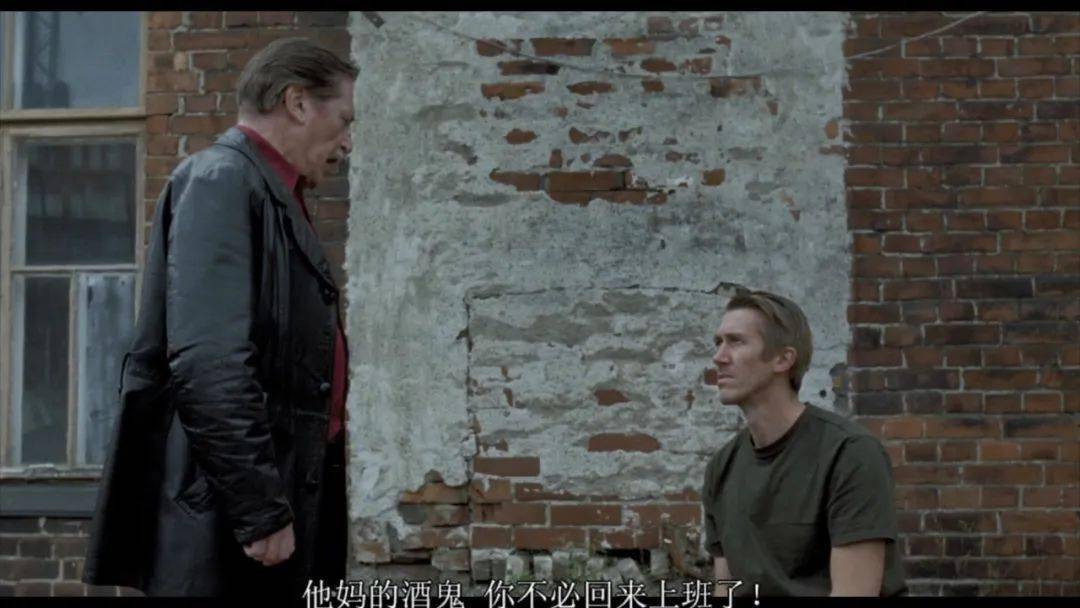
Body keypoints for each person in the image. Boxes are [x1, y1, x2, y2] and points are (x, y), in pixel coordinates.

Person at [83, 37, 356, 598]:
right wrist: (260, 509)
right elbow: (209, 363)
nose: (347, 142)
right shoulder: (223, 181)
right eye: (344, 120)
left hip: (269, 515)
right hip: (231, 532)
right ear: (297, 103)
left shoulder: (267, 190)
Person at [701, 289, 907, 597]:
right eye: (718, 342)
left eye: (736, 341)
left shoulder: (850, 454)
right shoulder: (722, 467)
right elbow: (726, 592)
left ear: (783, 359)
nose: (718, 357)